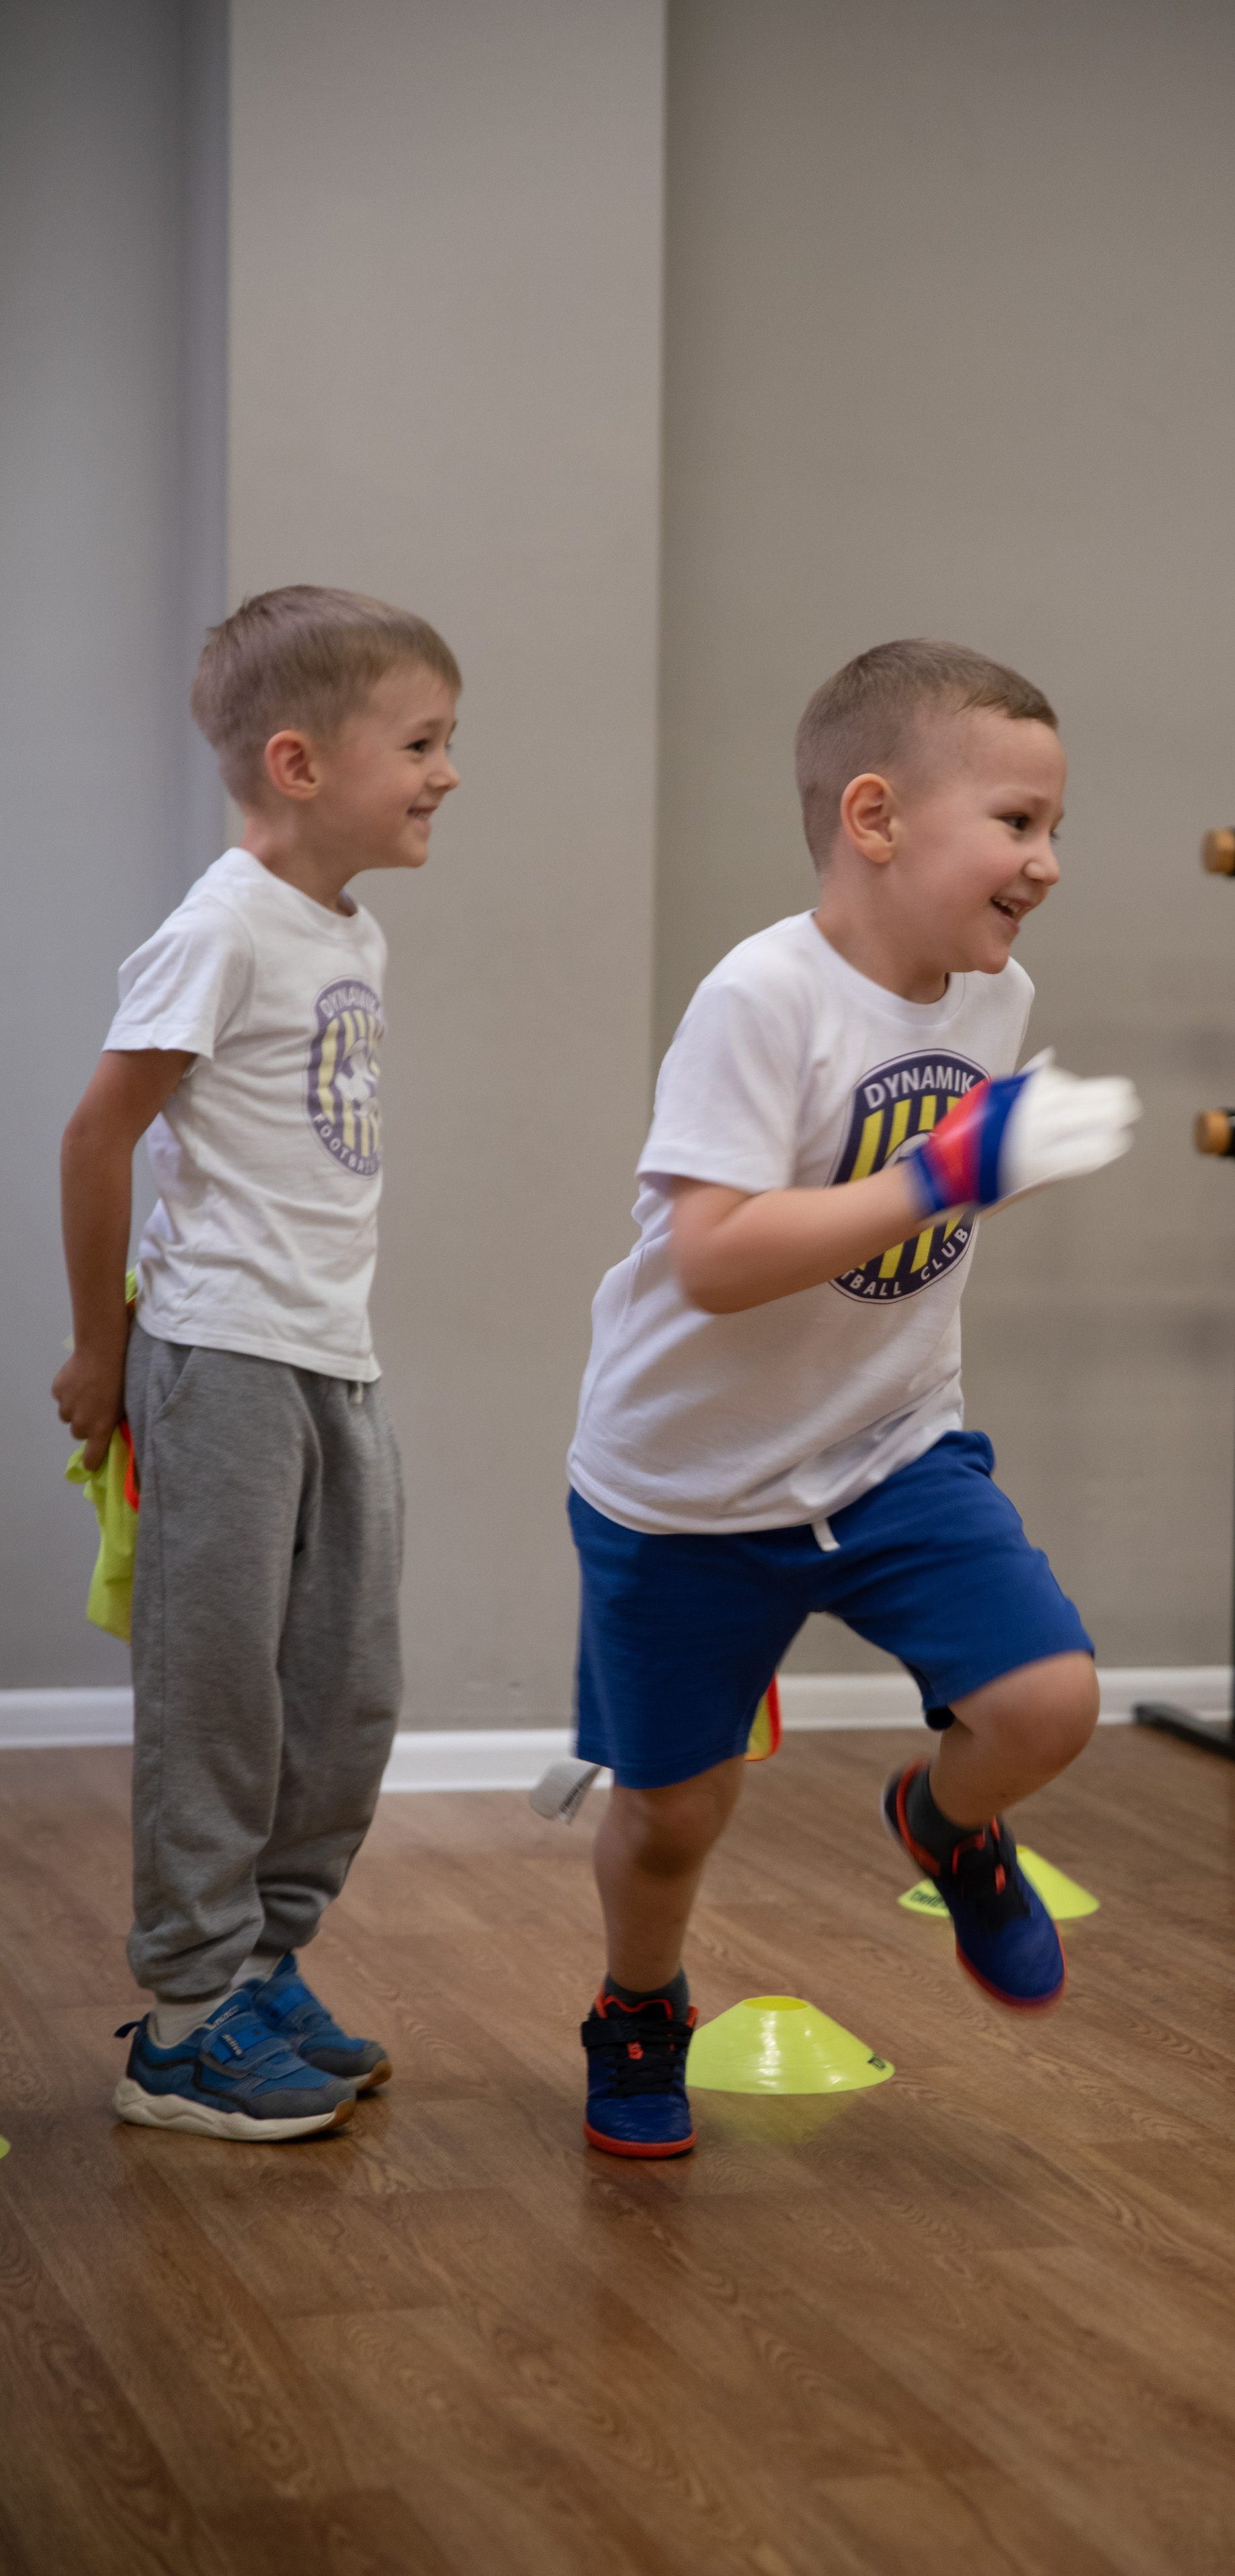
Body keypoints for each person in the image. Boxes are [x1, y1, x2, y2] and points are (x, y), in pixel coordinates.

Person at [566, 637, 1139, 2158]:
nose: (1048, 863)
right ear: (875, 818)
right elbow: (713, 1257)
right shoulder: (761, 997)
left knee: (1046, 1699)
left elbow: (911, 1218)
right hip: (684, 1486)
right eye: (1017, 822)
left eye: (1052, 828)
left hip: (890, 1449)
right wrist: (950, 1168)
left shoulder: (992, 995)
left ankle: (943, 1824)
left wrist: (990, 1172)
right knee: (675, 1815)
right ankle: (637, 2008)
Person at [52, 585, 461, 2142]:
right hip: (220, 1357)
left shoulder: (341, 929)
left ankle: (261, 1967)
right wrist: (106, 1345)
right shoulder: (219, 925)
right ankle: (179, 2023)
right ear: (300, 763)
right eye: (418, 742)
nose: (444, 771)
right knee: (220, 1701)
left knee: (342, 1698)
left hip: (329, 1361)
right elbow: (101, 1132)